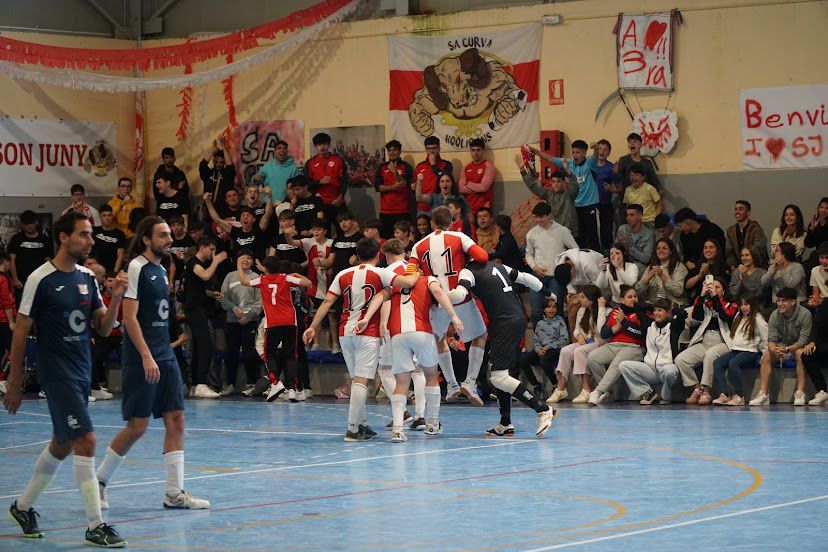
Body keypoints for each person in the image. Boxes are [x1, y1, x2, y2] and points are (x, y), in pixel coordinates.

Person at [4, 212, 126, 546]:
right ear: (63, 237)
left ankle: (23, 506)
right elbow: (21, 333)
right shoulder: (39, 278)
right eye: (84, 235)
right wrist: (14, 383)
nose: (90, 241)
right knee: (86, 439)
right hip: (55, 373)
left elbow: (102, 327)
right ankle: (95, 524)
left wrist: (115, 298)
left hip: (81, 370)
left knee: (63, 442)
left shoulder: (87, 277)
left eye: (90, 235)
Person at [97, 216, 210, 517]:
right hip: (141, 356)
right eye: (162, 235)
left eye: (170, 234)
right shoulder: (136, 267)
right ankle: (99, 481)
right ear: (147, 239)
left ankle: (174, 492)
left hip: (164, 355)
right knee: (138, 426)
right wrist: (146, 355)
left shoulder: (161, 270)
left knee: (177, 419)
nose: (169, 239)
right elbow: (130, 318)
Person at [303, 238, 417, 441]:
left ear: (356, 255)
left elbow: (328, 301)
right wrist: (416, 268)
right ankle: (353, 429)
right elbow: (408, 282)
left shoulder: (343, 273)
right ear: (378, 255)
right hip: (367, 332)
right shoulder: (381, 272)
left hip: (345, 332)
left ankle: (362, 424)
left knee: (357, 379)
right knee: (362, 381)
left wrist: (312, 327)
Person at [356, 241, 463, 441]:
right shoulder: (428, 279)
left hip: (398, 335)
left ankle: (398, 429)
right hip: (422, 332)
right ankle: (430, 422)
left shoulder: (393, 282)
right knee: (431, 376)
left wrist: (366, 319)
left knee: (401, 382)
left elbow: (379, 297)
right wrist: (454, 317)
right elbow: (440, 294)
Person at [446, 259, 557, 437]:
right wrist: (548, 292)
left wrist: (437, 295)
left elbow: (459, 295)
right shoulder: (497, 266)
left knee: (498, 376)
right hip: (517, 318)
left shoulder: (467, 272)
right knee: (504, 373)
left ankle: (542, 409)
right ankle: (505, 422)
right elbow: (526, 278)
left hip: (504, 323)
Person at [408, 206, 490, 403]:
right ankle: (469, 382)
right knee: (480, 336)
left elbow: (409, 275)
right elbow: (483, 257)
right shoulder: (459, 237)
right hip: (459, 296)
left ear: (432, 223)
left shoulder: (418, 245)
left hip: (435, 300)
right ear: (451, 222)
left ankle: (452, 386)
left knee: (439, 339)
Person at [236, 256, 312, 401]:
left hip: (273, 323)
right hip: (290, 322)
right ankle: (292, 389)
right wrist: (297, 275)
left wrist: (239, 265)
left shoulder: (262, 280)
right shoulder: (286, 278)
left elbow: (243, 281)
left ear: (266, 268)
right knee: (290, 355)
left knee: (269, 353)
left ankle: (276, 383)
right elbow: (308, 283)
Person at [677, 277, 738, 406]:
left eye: (717, 287)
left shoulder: (731, 304)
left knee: (710, 355)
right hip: (705, 340)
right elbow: (696, 316)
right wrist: (702, 295)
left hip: (724, 342)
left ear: (724, 290)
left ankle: (707, 391)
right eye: (711, 287)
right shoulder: (706, 303)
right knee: (681, 359)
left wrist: (715, 298)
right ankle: (696, 388)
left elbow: (725, 316)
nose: (713, 290)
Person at [749, 287, 813, 406]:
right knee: (767, 355)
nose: (780, 304)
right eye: (778, 300)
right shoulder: (774, 314)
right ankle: (763, 394)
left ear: (793, 302)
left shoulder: (805, 314)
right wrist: (774, 349)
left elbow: (803, 340)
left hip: (803, 347)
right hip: (784, 347)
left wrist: (787, 349)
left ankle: (800, 393)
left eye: (784, 301)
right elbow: (771, 339)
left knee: (800, 353)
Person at [586, 285, 648, 405]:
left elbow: (641, 333)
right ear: (622, 300)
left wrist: (624, 322)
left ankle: (598, 391)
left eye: (635, 296)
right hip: (614, 345)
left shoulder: (642, 312)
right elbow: (604, 334)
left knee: (617, 362)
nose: (634, 299)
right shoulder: (615, 312)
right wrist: (617, 326)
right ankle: (609, 393)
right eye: (630, 297)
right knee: (593, 357)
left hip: (634, 347)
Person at [182, 236, 227, 398]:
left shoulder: (197, 264)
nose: (213, 253)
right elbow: (205, 276)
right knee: (206, 345)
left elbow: (196, 287)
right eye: (212, 249)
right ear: (203, 247)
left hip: (198, 307)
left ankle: (195, 384)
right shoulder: (193, 262)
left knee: (199, 346)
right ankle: (201, 384)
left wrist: (210, 293)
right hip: (195, 309)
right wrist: (217, 261)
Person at [618, 299, 687, 404]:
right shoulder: (648, 325)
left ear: (668, 313)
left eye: (660, 311)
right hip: (650, 370)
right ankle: (648, 392)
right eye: (655, 310)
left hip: (667, 369)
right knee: (624, 366)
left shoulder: (674, 326)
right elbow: (637, 306)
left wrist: (671, 308)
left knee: (670, 371)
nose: (656, 313)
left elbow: (683, 313)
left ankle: (666, 396)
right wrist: (656, 306)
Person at [535, 140, 600, 250]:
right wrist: (536, 151)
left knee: (593, 234)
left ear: (584, 153)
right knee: (580, 235)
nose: (575, 155)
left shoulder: (590, 163)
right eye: (573, 152)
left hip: (590, 204)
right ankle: (580, 259)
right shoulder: (568, 163)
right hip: (575, 205)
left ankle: (598, 260)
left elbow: (595, 155)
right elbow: (550, 158)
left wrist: (596, 148)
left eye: (578, 152)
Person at [549, 286, 609, 404]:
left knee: (580, 351)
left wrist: (601, 307)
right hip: (586, 341)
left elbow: (603, 332)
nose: (579, 299)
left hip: (601, 343)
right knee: (566, 350)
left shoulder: (607, 311)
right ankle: (561, 389)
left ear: (591, 299)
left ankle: (586, 390)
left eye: (583, 297)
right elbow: (577, 329)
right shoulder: (582, 311)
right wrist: (579, 336)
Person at [315, 211, 364, 352]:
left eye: (346, 220)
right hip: (338, 280)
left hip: (355, 281)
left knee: (354, 312)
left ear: (353, 222)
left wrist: (357, 262)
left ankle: (356, 344)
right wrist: (321, 263)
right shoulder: (337, 239)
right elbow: (330, 260)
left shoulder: (361, 238)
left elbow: (367, 259)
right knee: (336, 313)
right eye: (341, 221)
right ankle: (339, 345)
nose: (343, 223)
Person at [525, 202, 579, 324]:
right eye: (536, 217)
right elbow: (528, 253)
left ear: (549, 215)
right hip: (537, 276)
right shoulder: (531, 234)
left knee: (557, 310)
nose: (538, 220)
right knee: (536, 312)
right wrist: (534, 267)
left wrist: (567, 266)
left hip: (556, 277)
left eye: (541, 217)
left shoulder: (562, 231)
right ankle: (539, 341)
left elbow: (575, 250)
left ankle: (561, 341)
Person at [710, 293, 767, 406]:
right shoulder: (738, 316)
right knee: (718, 363)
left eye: (746, 304)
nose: (744, 307)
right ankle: (724, 394)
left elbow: (766, 338)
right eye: (741, 305)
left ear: (753, 305)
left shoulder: (758, 319)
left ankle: (739, 395)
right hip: (736, 350)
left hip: (750, 352)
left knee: (733, 363)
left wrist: (765, 354)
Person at [219, 249, 263, 396]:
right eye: (243, 258)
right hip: (232, 320)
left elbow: (260, 301)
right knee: (231, 352)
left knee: (249, 352)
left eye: (249, 258)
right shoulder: (230, 276)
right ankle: (230, 383)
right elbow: (223, 297)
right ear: (237, 260)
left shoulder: (256, 277)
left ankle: (252, 383)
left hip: (250, 322)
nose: (246, 260)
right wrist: (234, 309)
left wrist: (249, 316)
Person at [515, 153, 579, 236]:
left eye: (558, 181)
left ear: (564, 182)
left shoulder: (569, 194)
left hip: (570, 233)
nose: (555, 184)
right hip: (555, 233)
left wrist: (568, 170)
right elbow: (533, 186)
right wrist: (523, 171)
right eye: (553, 181)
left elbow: (574, 185)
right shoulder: (548, 194)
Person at [519, 296, 569, 395]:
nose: (551, 309)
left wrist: (547, 347)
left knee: (544, 359)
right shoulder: (540, 323)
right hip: (540, 349)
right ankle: (535, 384)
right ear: (544, 309)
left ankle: (555, 384)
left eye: (554, 307)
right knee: (523, 359)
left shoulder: (560, 321)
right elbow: (536, 340)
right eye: (548, 307)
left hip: (554, 349)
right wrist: (538, 349)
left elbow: (564, 340)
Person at [304, 132, 349, 228]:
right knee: (323, 234)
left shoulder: (338, 160)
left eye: (324, 144)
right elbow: (306, 185)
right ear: (316, 146)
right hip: (320, 205)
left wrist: (339, 198)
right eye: (319, 144)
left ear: (328, 145)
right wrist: (319, 182)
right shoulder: (310, 163)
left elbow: (344, 181)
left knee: (343, 231)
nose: (322, 147)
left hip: (338, 203)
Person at [90, 273, 122, 400]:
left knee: (127, 357)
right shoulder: (99, 299)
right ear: (104, 283)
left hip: (120, 336)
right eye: (109, 280)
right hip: (103, 336)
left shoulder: (125, 300)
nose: (111, 283)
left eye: (114, 281)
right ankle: (95, 386)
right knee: (95, 356)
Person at [375, 139, 413, 238]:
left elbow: (404, 184)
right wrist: (394, 187)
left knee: (403, 239)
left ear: (400, 152)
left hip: (402, 211)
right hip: (385, 211)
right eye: (390, 150)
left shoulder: (406, 167)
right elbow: (378, 187)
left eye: (395, 150)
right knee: (386, 239)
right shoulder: (382, 167)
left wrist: (395, 172)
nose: (392, 152)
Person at [9, 210, 54, 292]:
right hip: (21, 282)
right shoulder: (16, 239)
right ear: (22, 224)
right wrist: (15, 279)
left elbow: (48, 261)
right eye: (26, 224)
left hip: (40, 281)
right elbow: (11, 260)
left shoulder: (44, 239)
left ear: (36, 222)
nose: (29, 226)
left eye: (31, 223)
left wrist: (49, 279)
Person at [636, 238, 687, 306]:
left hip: (672, 305)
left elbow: (678, 292)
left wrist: (662, 276)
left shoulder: (679, 267)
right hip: (653, 305)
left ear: (671, 251)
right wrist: (647, 279)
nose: (661, 251)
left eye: (664, 248)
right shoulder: (650, 268)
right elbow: (637, 293)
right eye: (658, 248)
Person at [251, 139, 300, 204]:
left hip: (286, 205)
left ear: (287, 151)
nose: (282, 150)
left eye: (284, 148)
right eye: (279, 148)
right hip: (269, 204)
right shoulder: (267, 166)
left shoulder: (293, 168)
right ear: (275, 151)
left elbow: (298, 187)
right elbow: (256, 182)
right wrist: (255, 178)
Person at [799, 297, 828, 406]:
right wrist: (812, 342)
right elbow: (816, 325)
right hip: (824, 344)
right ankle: (822, 391)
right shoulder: (826, 303)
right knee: (807, 355)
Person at [414, 136, 453, 216]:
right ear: (425, 149)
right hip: (423, 207)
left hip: (439, 206)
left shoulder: (446, 164)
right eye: (428, 148)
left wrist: (433, 165)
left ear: (439, 148)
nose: (431, 151)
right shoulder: (419, 166)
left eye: (434, 148)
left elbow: (444, 180)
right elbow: (415, 187)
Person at [199, 136, 237, 216]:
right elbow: (202, 165)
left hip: (225, 211)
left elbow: (230, 166)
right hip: (209, 210)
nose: (218, 164)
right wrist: (212, 152)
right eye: (216, 162)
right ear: (213, 161)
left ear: (224, 162)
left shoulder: (227, 174)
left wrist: (223, 147)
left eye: (221, 162)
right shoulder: (208, 173)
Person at [724, 200, 768, 268]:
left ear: (748, 212)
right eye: (736, 209)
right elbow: (729, 253)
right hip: (739, 268)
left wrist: (747, 266)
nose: (737, 212)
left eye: (741, 209)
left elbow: (759, 251)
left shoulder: (756, 229)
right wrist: (732, 266)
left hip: (756, 267)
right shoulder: (731, 231)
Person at [459, 138, 496, 215]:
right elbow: (461, 189)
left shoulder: (488, 167)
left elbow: (484, 187)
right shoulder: (466, 168)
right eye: (473, 150)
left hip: (484, 209)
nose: (475, 153)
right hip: (469, 210)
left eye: (478, 150)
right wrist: (477, 186)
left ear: (483, 151)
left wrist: (468, 184)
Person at [615, 204, 655, 272]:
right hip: (623, 261)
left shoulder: (649, 234)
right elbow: (615, 250)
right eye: (627, 215)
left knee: (635, 269)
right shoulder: (623, 229)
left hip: (639, 265)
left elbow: (646, 259)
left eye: (631, 215)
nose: (628, 218)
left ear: (640, 216)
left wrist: (629, 248)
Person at [592, 139, 616, 250]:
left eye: (605, 149)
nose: (602, 151)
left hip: (605, 205)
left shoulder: (611, 168)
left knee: (606, 232)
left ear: (609, 153)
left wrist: (613, 188)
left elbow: (619, 187)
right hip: (590, 204)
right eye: (600, 148)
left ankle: (608, 254)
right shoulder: (590, 165)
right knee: (592, 232)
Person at [92, 204, 126, 274]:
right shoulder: (94, 231)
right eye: (104, 215)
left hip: (112, 270)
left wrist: (114, 273)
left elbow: (120, 256)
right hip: (96, 270)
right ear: (100, 217)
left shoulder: (119, 234)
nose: (107, 218)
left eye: (109, 215)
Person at [0, 252, 16, 395]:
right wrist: (11, 321)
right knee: (14, 350)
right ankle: (1, 379)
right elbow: (7, 301)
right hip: (3, 320)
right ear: (5, 262)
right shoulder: (4, 278)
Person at [804, 197, 828, 267]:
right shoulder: (815, 223)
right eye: (821, 207)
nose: (823, 210)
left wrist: (823, 226)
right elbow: (808, 244)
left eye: (827, 208)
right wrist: (812, 229)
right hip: (819, 257)